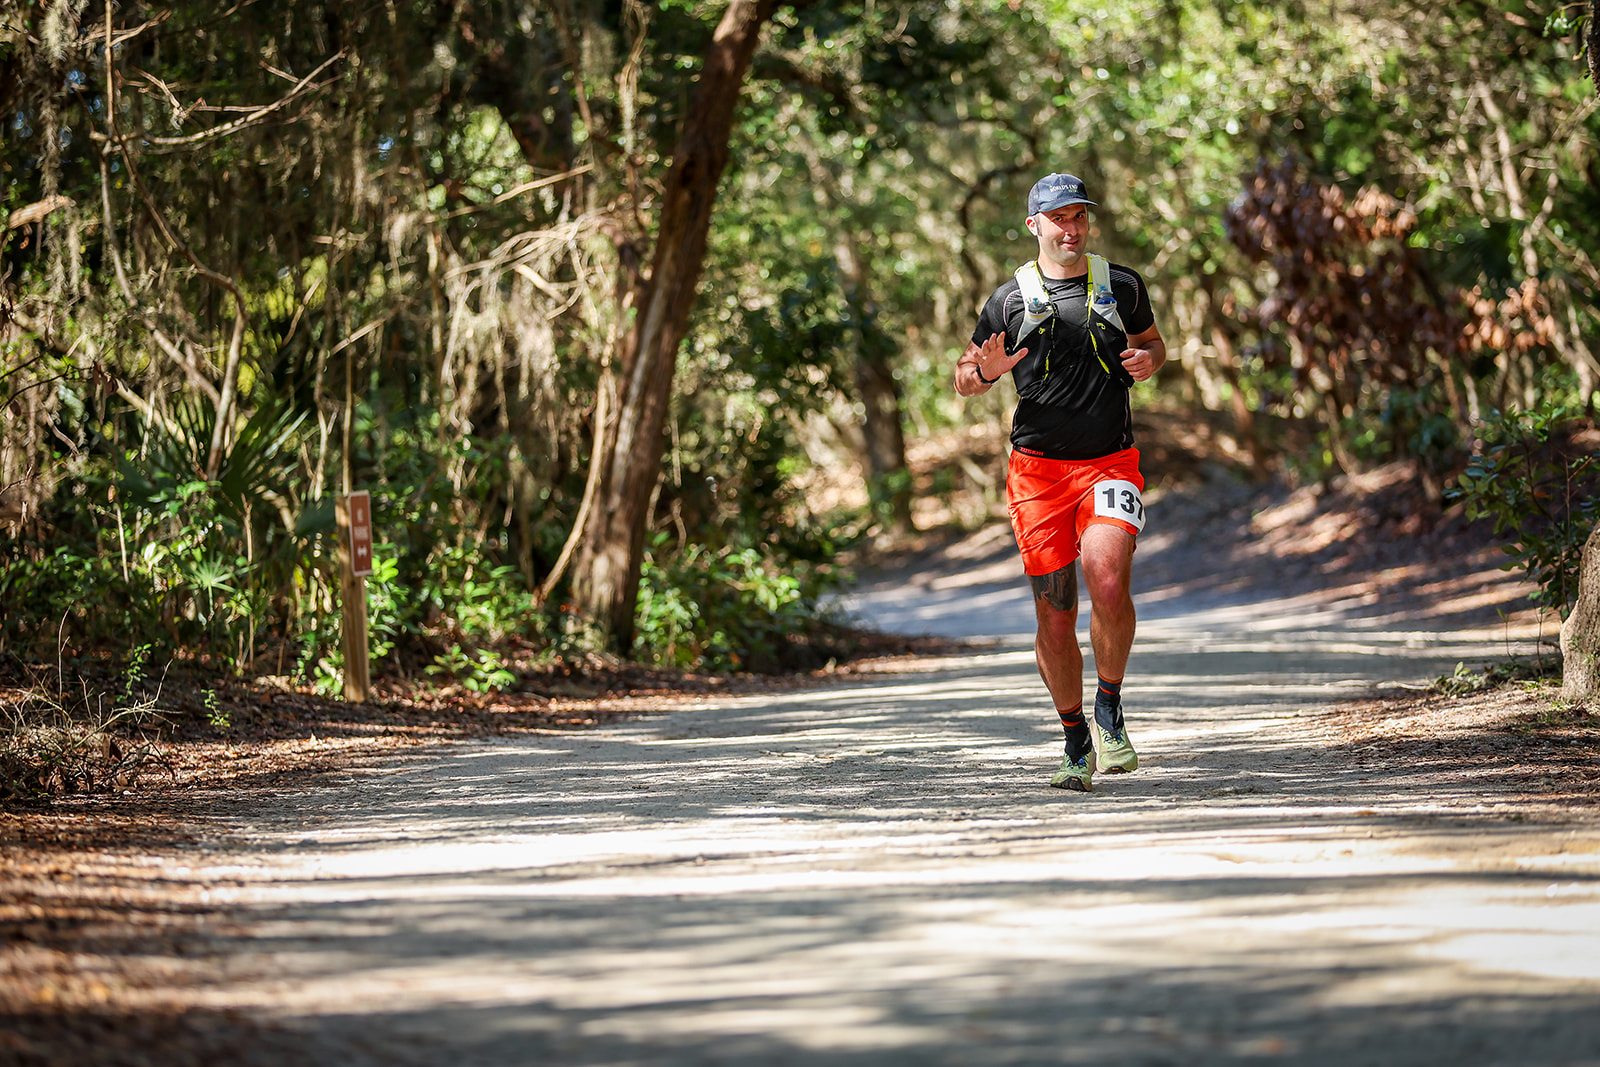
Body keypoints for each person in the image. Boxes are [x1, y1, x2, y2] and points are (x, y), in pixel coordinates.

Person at [954, 172, 1167, 792]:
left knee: (1109, 577)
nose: (1071, 230)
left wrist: (1149, 360)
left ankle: (1109, 706)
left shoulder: (1121, 284)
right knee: (1055, 613)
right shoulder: (1008, 300)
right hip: (1037, 474)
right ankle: (1075, 737)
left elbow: (1154, 345)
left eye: (1079, 217)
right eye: (1059, 219)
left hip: (1110, 463)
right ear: (1035, 226)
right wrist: (984, 373)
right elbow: (964, 376)